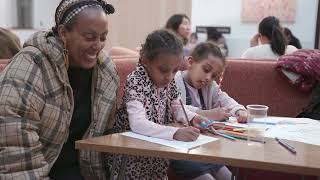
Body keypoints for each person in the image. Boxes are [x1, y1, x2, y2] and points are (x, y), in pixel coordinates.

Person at [0, 0, 119, 179]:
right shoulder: (31, 66)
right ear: (63, 32)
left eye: (103, 38)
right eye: (89, 37)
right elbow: (14, 143)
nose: (98, 45)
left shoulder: (105, 72)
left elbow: (110, 137)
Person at [106, 29, 210, 179]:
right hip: (130, 157)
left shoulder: (170, 81)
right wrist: (174, 133)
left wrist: (194, 118)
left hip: (157, 153)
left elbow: (177, 107)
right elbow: (138, 124)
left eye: (175, 71)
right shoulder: (136, 81)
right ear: (146, 61)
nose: (169, 76)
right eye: (163, 70)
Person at [171, 42, 247, 180]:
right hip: (180, 149)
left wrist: (240, 111)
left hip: (203, 146)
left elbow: (226, 99)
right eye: (206, 70)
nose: (208, 78)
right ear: (190, 62)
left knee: (229, 176)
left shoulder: (209, 86)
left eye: (214, 76)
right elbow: (176, 108)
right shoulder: (174, 81)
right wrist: (210, 114)